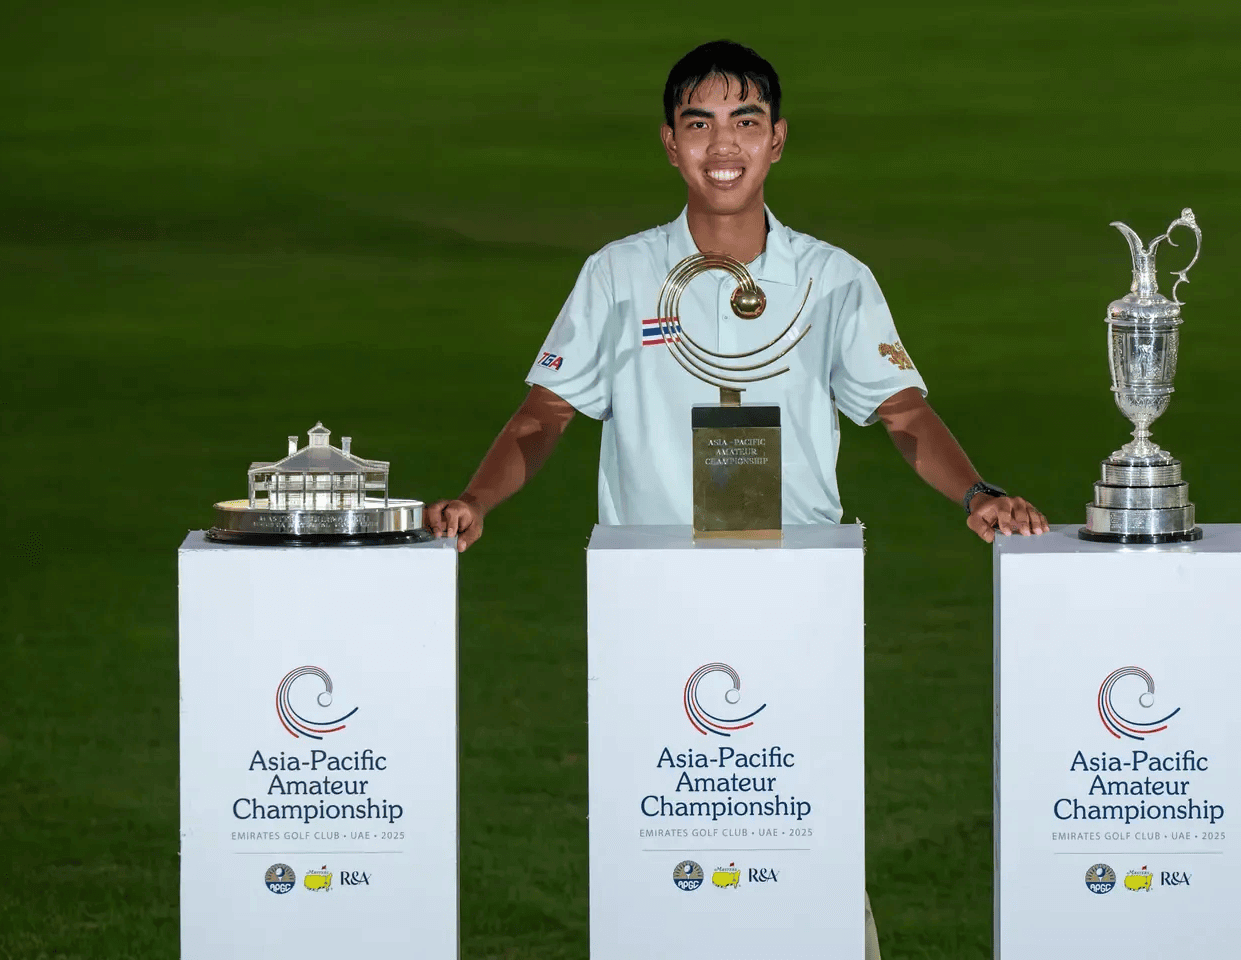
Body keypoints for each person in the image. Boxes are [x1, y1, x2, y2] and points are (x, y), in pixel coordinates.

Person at [426, 38, 1049, 959]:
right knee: (663, 815)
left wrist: (977, 493)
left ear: (779, 141)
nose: (725, 144)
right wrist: (478, 498)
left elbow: (903, 412)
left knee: (800, 810)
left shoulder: (834, 279)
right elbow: (545, 413)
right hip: (650, 594)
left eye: (746, 123)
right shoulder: (618, 274)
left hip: (797, 592)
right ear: (670, 145)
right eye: (701, 123)